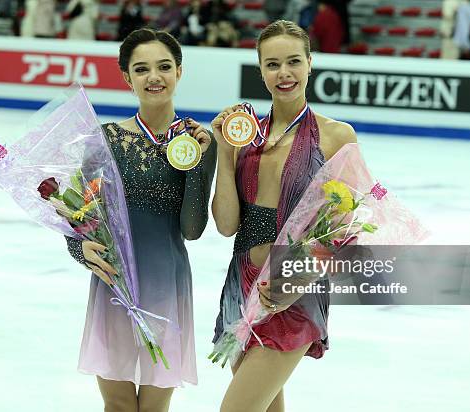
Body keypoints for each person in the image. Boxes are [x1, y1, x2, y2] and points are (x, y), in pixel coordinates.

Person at [65, 28, 217, 411]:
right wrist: (80, 248)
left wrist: (198, 164)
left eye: (164, 67)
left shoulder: (196, 143)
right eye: (142, 68)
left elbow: (193, 229)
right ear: (127, 78)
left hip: (166, 280)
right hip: (115, 282)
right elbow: (79, 216)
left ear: (179, 72)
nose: (155, 77)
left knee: (153, 408)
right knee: (117, 405)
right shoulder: (107, 140)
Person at [211, 20, 356, 412]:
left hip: (293, 290)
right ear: (260, 70)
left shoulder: (336, 136)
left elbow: (348, 228)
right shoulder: (244, 137)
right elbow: (226, 225)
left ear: (310, 64)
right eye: (272, 64)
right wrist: (225, 154)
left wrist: (297, 279)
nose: (284, 73)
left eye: (294, 61)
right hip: (241, 284)